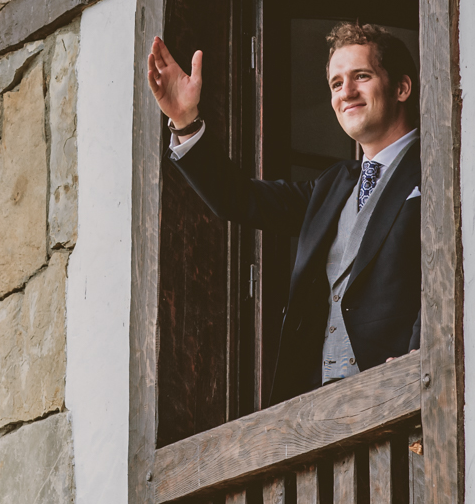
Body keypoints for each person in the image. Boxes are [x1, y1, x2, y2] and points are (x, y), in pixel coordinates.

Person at [147, 22, 421, 406]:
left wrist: (420, 358)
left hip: (402, 396)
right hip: (319, 399)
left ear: (401, 88)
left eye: (362, 76)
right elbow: (238, 198)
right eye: (336, 84)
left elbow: (446, 269)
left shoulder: (434, 166)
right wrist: (186, 122)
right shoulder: (333, 185)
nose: (347, 92)